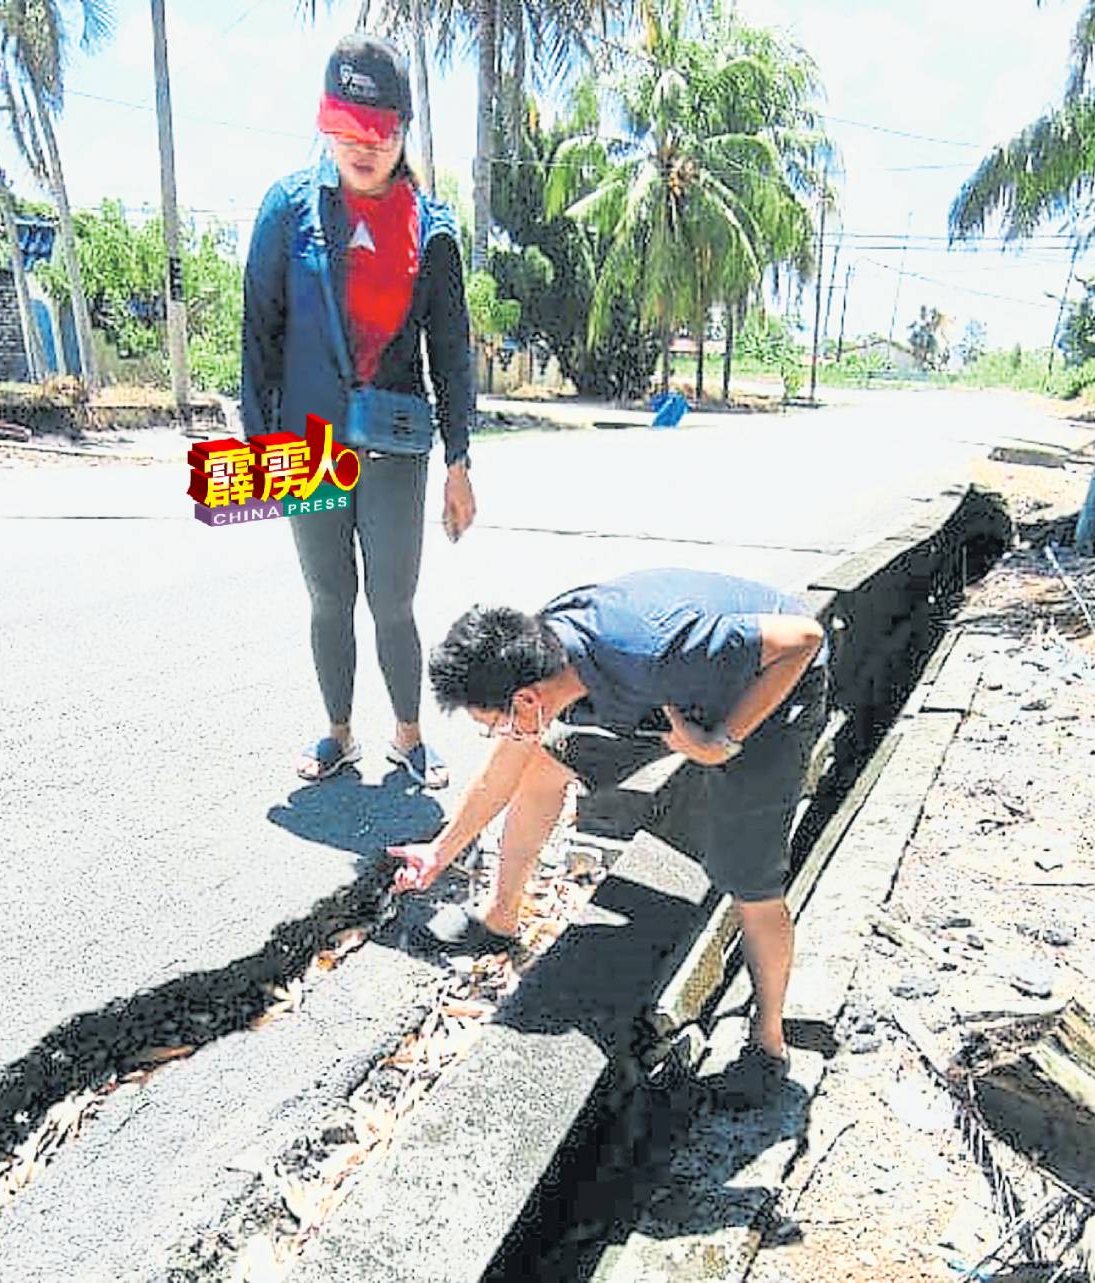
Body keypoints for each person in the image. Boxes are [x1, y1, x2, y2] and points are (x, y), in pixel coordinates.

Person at [388, 568, 828, 1105]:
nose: (495, 734)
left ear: (526, 700)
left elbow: (804, 640)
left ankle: (769, 1044)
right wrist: (440, 852)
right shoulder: (548, 649)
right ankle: (501, 918)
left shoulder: (652, 650)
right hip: (671, 701)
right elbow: (508, 764)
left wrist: (723, 742)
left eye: (493, 722)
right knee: (538, 768)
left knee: (749, 881)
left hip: (768, 691)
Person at [241, 33, 475, 790]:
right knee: (328, 594)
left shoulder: (431, 230)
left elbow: (452, 352)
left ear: (403, 131)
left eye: (377, 133)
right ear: (325, 124)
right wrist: (257, 449)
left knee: (392, 599)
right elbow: (260, 336)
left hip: (396, 447)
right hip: (308, 444)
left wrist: (460, 462)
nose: (361, 148)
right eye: (344, 131)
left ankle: (408, 736)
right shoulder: (287, 210)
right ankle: (338, 733)